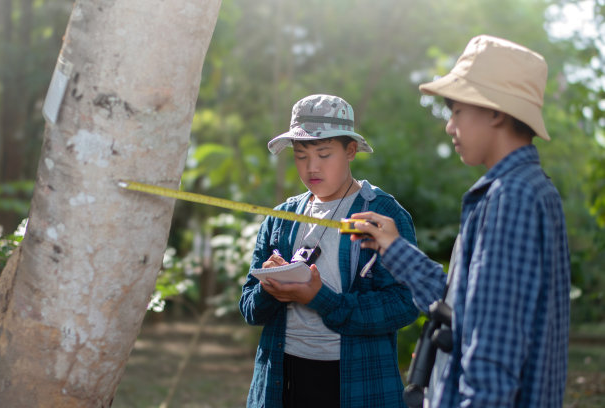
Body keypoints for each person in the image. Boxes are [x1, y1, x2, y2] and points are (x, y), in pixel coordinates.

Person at [351, 35, 571, 407]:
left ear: (495, 112)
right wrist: (393, 248)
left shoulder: (509, 199)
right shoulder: (529, 191)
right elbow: (465, 307)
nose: (449, 127)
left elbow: (491, 357)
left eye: (456, 111)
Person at [239, 94, 419, 408]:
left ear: (350, 150)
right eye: (300, 155)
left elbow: (406, 303)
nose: (311, 167)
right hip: (282, 379)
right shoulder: (282, 218)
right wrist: (270, 288)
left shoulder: (381, 214)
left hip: (357, 382)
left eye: (324, 154)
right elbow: (249, 308)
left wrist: (320, 299)